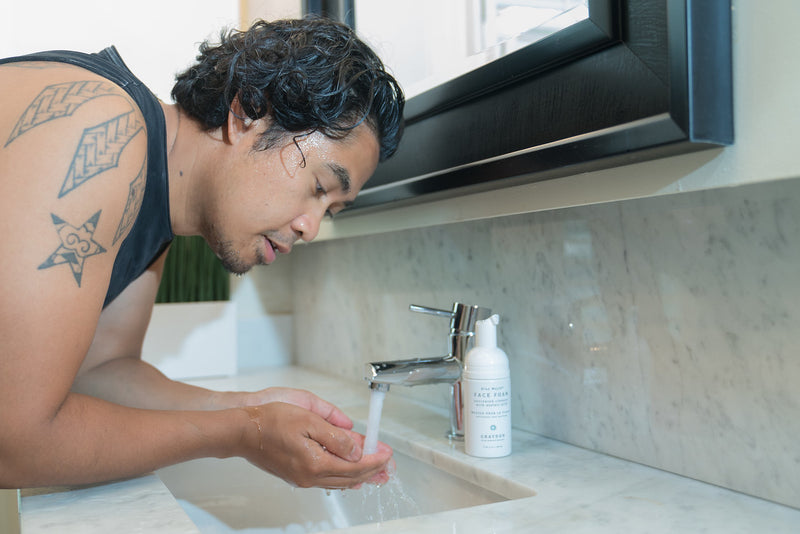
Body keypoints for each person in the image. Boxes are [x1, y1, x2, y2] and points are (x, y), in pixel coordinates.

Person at [0, 16, 404, 490]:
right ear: (247, 114)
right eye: (318, 187)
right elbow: (14, 441)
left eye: (330, 210)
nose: (309, 228)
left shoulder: (153, 202)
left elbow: (100, 372)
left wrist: (250, 409)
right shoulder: (104, 127)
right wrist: (243, 433)